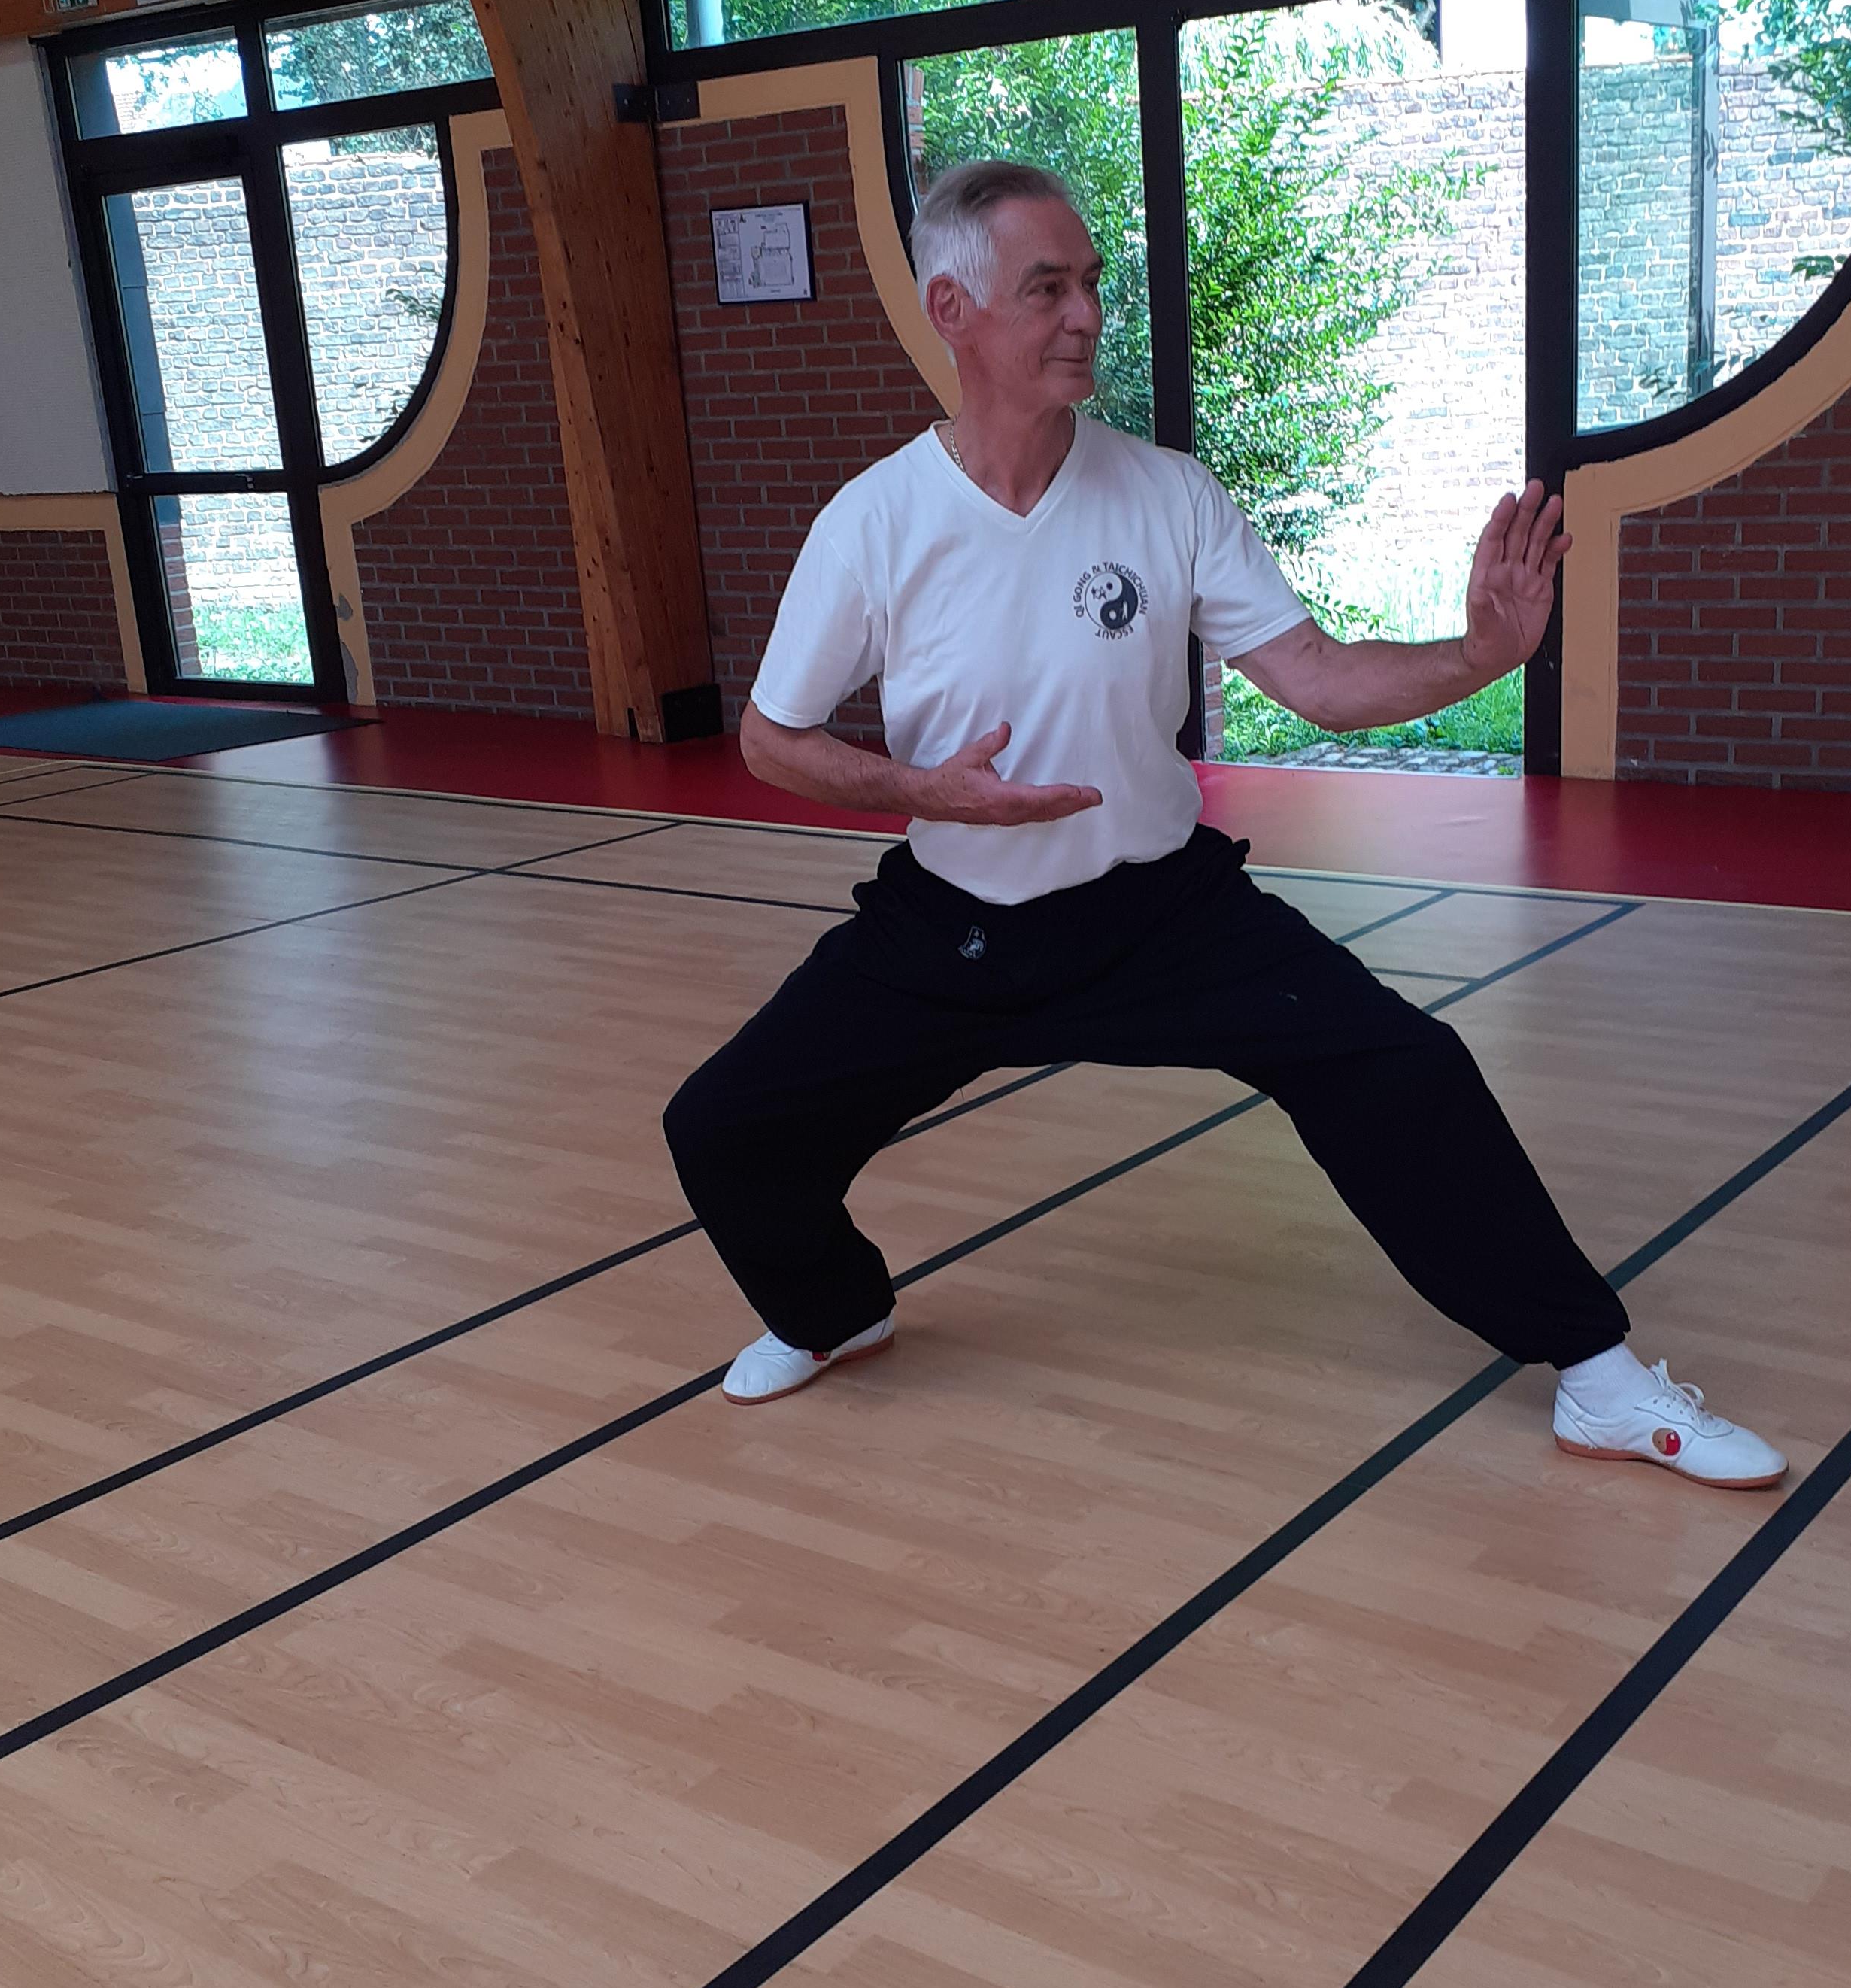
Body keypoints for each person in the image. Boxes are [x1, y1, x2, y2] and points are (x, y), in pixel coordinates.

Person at [663, 159, 1785, 1488]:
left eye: (1091, 283)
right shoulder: (875, 522)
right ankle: (833, 1309)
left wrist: (1481, 656)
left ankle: (1595, 1378)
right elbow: (770, 739)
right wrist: (926, 792)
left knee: (1408, 1069)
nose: (1087, 314)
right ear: (952, 309)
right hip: (951, 926)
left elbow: (1318, 680)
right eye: (1047, 288)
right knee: (722, 1127)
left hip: (1160, 917)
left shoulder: (1168, 495)